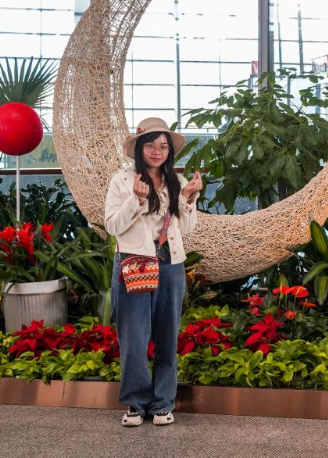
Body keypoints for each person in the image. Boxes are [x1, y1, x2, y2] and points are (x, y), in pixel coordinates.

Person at [104, 117, 202, 427]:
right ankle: (135, 404)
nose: (157, 151)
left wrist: (188, 198)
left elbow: (186, 228)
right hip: (133, 263)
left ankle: (162, 404)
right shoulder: (121, 181)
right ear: (139, 148)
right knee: (133, 337)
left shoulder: (176, 180)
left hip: (170, 264)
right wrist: (137, 198)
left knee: (167, 335)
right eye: (151, 145)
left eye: (163, 146)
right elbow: (112, 226)